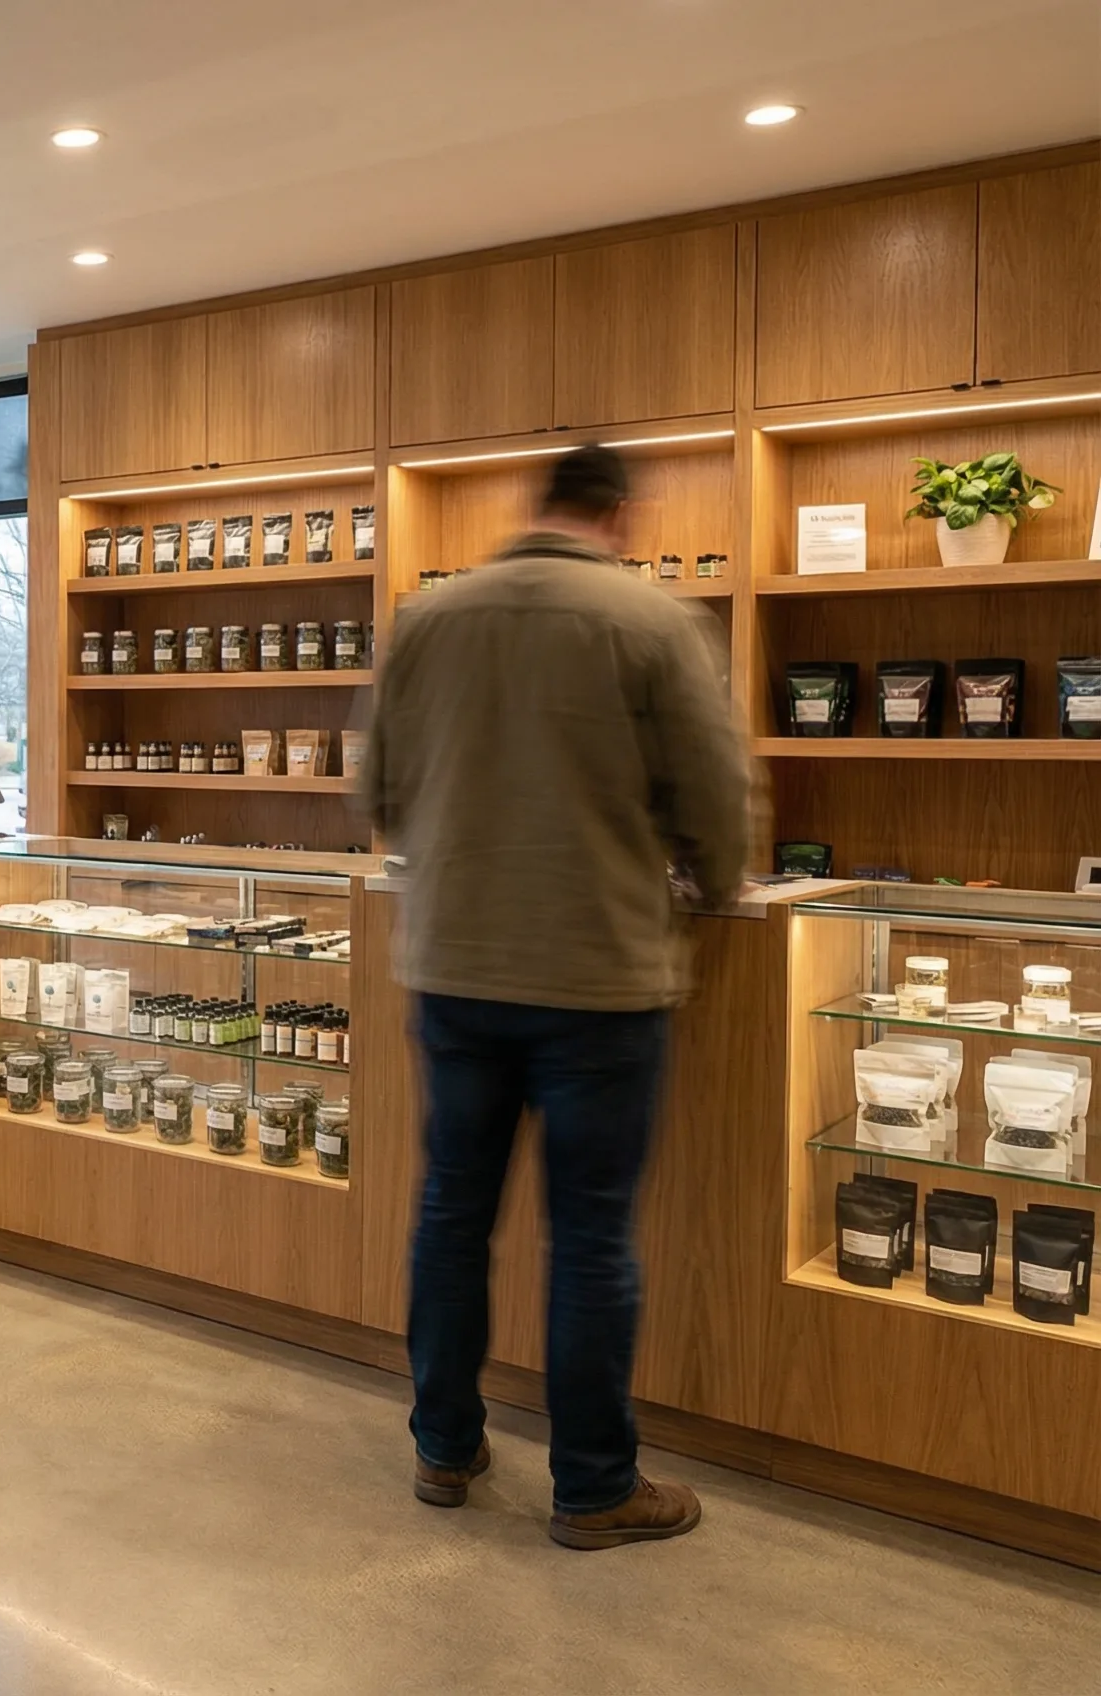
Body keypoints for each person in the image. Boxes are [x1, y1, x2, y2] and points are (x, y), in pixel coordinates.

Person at [360, 444, 750, 1551]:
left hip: (450, 965)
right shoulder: (648, 620)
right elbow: (715, 795)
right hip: (597, 977)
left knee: (448, 1215)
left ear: (533, 507)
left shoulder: (427, 619)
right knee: (586, 1235)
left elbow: (376, 785)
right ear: (618, 515)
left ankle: (442, 1446)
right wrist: (709, 883)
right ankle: (590, 1487)